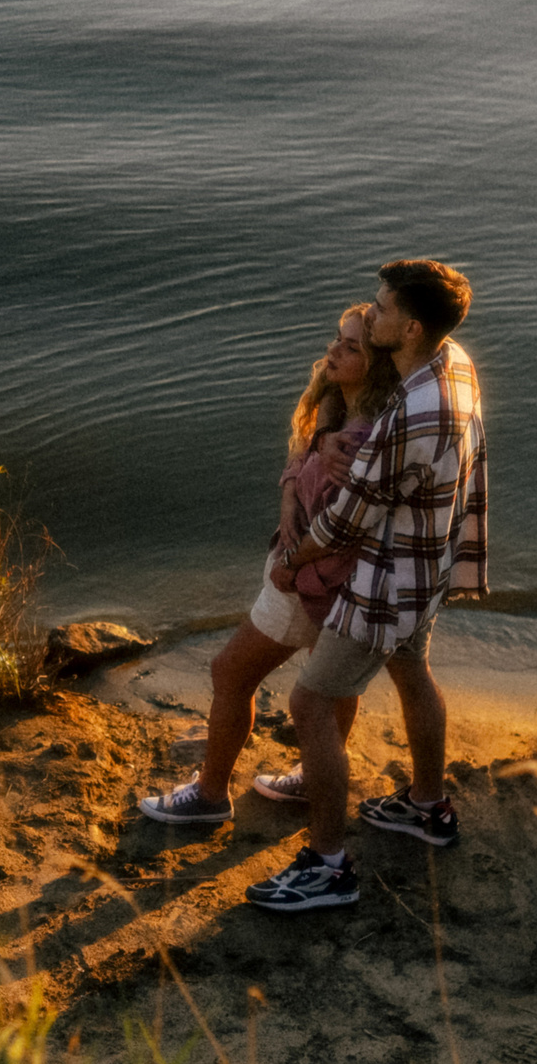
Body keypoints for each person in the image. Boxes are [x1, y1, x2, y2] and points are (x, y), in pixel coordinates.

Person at [245, 258, 486, 914]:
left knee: (311, 704)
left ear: (408, 326)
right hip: (431, 560)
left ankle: (328, 865)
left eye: (379, 309)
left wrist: (292, 565)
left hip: (389, 577)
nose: (370, 314)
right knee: (412, 672)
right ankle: (427, 806)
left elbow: (347, 519)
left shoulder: (410, 411)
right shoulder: (453, 360)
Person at [136, 304, 399, 826]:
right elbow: (299, 462)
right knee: (332, 688)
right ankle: (308, 775)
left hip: (306, 579)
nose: (333, 351)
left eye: (351, 347)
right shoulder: (332, 410)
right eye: (336, 339)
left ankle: (210, 796)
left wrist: (288, 563)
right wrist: (287, 500)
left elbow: (340, 527)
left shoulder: (356, 438)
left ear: (374, 365)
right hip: (315, 577)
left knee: (230, 672)